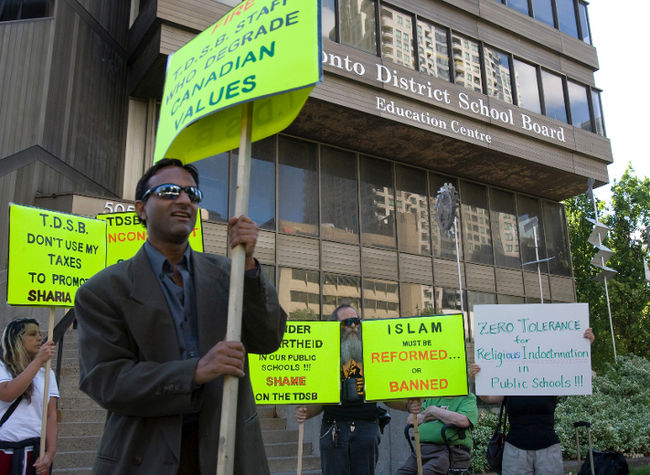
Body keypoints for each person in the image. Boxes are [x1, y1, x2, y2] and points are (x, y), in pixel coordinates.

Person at [75, 158, 287, 474]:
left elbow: (268, 338)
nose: (184, 200)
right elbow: (106, 380)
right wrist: (194, 372)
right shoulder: (103, 290)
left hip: (229, 454)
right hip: (145, 455)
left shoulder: (229, 273)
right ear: (141, 208)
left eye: (192, 193)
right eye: (170, 191)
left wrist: (248, 265)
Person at [469, 328, 595, 475]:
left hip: (548, 450)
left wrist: (585, 345)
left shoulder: (551, 378)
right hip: (515, 451)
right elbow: (487, 397)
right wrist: (478, 377)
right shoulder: (510, 380)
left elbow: (575, 370)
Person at [294, 304, 387, 475]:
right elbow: (320, 401)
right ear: (335, 327)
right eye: (346, 322)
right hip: (334, 430)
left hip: (367, 428)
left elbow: (388, 394)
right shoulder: (324, 356)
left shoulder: (373, 353)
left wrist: (408, 405)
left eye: (356, 321)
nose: (352, 326)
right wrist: (305, 412)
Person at [0, 318, 58, 475]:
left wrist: (50, 452)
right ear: (16, 339)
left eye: (40, 334)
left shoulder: (47, 373)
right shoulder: (2, 367)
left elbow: (51, 415)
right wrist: (39, 360)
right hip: (5, 450)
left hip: (36, 452)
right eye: (32, 334)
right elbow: (7, 393)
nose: (40, 338)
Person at [389, 394, 478, 475]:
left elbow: (463, 420)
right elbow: (411, 420)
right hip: (422, 450)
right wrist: (442, 415)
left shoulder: (467, 397)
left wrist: (433, 411)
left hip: (448, 450)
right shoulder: (433, 396)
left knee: (427, 472)